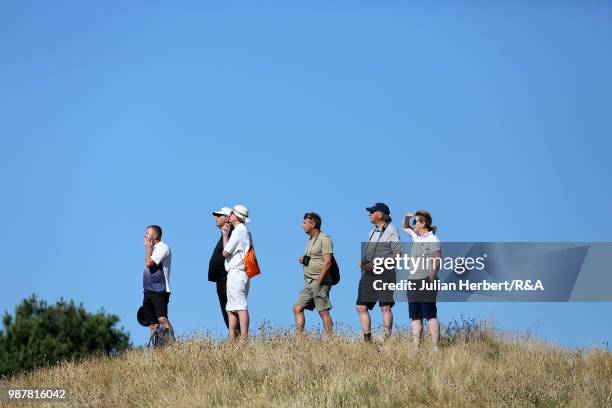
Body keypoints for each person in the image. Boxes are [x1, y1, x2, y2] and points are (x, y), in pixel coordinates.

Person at [356, 203, 402, 342]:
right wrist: (364, 262)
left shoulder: (392, 230)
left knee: (385, 306)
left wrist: (378, 263)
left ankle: (387, 339)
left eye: (372, 211)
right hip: (369, 273)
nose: (369, 214)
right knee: (361, 306)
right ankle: (367, 339)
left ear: (381, 214)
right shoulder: (372, 232)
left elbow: (397, 255)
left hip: (385, 272)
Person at [402, 210, 441, 351]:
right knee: (415, 315)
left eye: (415, 222)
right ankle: (415, 347)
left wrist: (431, 278)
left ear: (423, 223)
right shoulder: (416, 236)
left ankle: (435, 347)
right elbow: (404, 227)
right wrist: (407, 218)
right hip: (413, 281)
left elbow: (438, 261)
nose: (413, 225)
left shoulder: (433, 240)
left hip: (427, 280)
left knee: (430, 314)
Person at [293, 212, 334, 337]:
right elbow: (316, 258)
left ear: (313, 223)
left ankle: (332, 340)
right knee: (297, 308)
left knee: (323, 311)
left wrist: (319, 281)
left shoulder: (325, 239)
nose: (302, 225)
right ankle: (299, 340)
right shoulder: (310, 240)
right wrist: (304, 260)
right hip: (309, 282)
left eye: (305, 222)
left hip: (319, 281)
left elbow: (327, 262)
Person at [222, 204, 252, 339]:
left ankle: (243, 339)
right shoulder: (243, 230)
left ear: (237, 216)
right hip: (239, 272)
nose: (230, 215)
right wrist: (225, 235)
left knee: (240, 306)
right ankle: (233, 338)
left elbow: (225, 252)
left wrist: (226, 236)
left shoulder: (239, 230)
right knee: (231, 308)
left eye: (233, 213)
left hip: (237, 272)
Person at [142, 225, 174, 342]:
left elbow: (150, 263)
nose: (145, 235)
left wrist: (148, 248)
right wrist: (149, 249)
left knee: (162, 319)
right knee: (153, 324)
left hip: (159, 290)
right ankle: (156, 352)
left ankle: (173, 345)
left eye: (147, 233)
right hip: (148, 290)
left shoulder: (163, 248)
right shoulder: (153, 249)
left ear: (155, 235)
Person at [208, 207, 236, 330]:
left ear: (227, 218)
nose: (216, 218)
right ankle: (234, 336)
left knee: (230, 308)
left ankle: (237, 337)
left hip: (226, 278)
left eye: (219, 215)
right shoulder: (225, 234)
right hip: (221, 279)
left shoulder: (231, 233)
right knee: (226, 309)